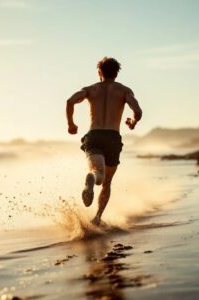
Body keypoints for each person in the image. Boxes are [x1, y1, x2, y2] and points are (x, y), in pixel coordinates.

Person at [66, 57, 142, 226]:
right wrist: (133, 122)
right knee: (106, 182)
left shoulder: (90, 90)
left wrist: (71, 123)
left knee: (97, 173)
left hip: (94, 136)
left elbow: (70, 101)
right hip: (112, 138)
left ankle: (92, 177)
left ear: (99, 72)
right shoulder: (124, 90)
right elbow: (137, 110)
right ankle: (97, 218)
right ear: (116, 73)